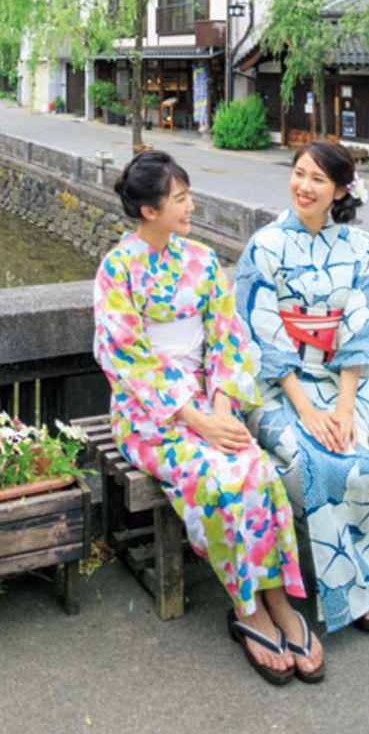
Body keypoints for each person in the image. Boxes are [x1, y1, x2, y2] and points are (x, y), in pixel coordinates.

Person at [93, 150, 324, 685]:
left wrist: (221, 407)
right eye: (180, 199)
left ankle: (279, 600)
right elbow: (127, 359)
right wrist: (196, 420)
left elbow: (228, 340)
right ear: (149, 211)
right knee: (219, 477)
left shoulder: (199, 259)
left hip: (210, 403)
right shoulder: (117, 270)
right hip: (150, 418)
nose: (191, 206)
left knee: (259, 472)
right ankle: (247, 608)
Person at [234, 141, 369, 636]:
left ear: (340, 190)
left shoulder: (362, 249)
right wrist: (306, 410)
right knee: (308, 461)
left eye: (318, 178)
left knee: (359, 459)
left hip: (345, 386)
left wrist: (340, 408)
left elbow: (363, 330)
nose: (304, 186)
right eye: (298, 174)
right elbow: (260, 333)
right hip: (276, 388)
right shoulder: (265, 246)